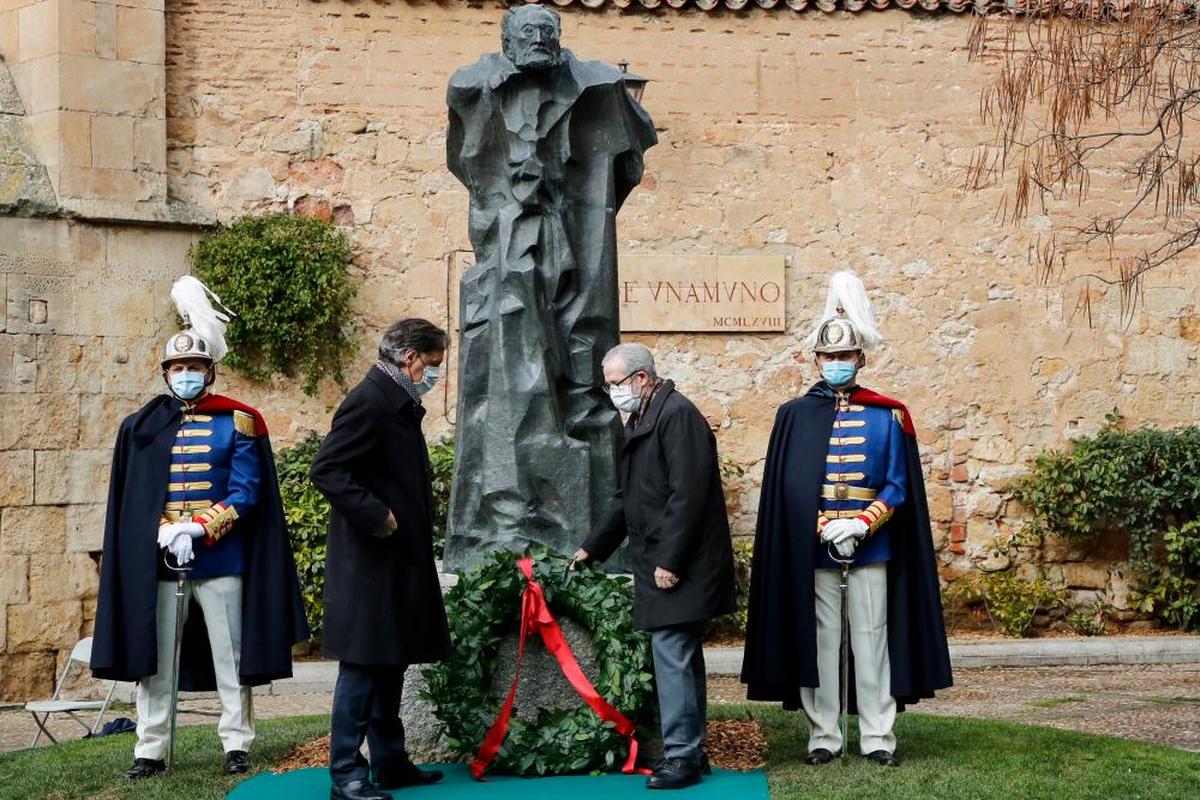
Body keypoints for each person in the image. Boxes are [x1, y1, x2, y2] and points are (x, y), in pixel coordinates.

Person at [444, 4, 657, 570]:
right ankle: (508, 518)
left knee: (581, 364)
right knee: (512, 366)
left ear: (560, 40)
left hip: (575, 239)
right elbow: (468, 163)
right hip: (511, 248)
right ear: (506, 41)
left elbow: (626, 164)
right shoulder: (474, 83)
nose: (538, 39)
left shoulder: (598, 84)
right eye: (526, 32)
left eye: (547, 32)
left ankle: (578, 528)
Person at [91, 276, 308, 779]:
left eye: (193, 366)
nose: (184, 374)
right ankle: (150, 750)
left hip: (221, 556)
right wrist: (162, 528)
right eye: (177, 367)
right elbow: (135, 497)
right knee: (156, 660)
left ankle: (237, 743)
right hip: (161, 561)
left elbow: (246, 491)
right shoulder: (141, 426)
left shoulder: (239, 420)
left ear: (209, 373)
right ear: (166, 373)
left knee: (231, 656)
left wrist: (199, 527)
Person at [740, 271, 952, 768]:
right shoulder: (793, 414)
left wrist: (862, 522)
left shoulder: (887, 416)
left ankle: (879, 736)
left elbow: (898, 484)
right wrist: (821, 524)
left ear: (861, 359)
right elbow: (788, 489)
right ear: (815, 359)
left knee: (871, 641)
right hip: (814, 547)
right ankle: (824, 735)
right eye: (828, 357)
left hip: (871, 545)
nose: (836, 364)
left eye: (845, 356)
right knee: (822, 643)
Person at [572, 343, 736, 791]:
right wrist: (593, 548)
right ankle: (690, 751)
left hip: (680, 563)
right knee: (680, 658)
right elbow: (629, 496)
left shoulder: (678, 415)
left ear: (641, 379)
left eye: (615, 383)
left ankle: (681, 756)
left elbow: (689, 495)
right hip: (663, 561)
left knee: (672, 656)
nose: (612, 392)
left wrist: (670, 560)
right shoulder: (644, 417)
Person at [310, 319, 452, 800]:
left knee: (390, 662)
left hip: (393, 562)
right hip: (369, 561)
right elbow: (327, 469)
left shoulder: (398, 402)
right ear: (410, 358)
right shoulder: (370, 401)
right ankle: (346, 774)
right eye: (432, 365)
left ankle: (390, 761)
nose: (434, 374)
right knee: (364, 667)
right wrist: (379, 515)